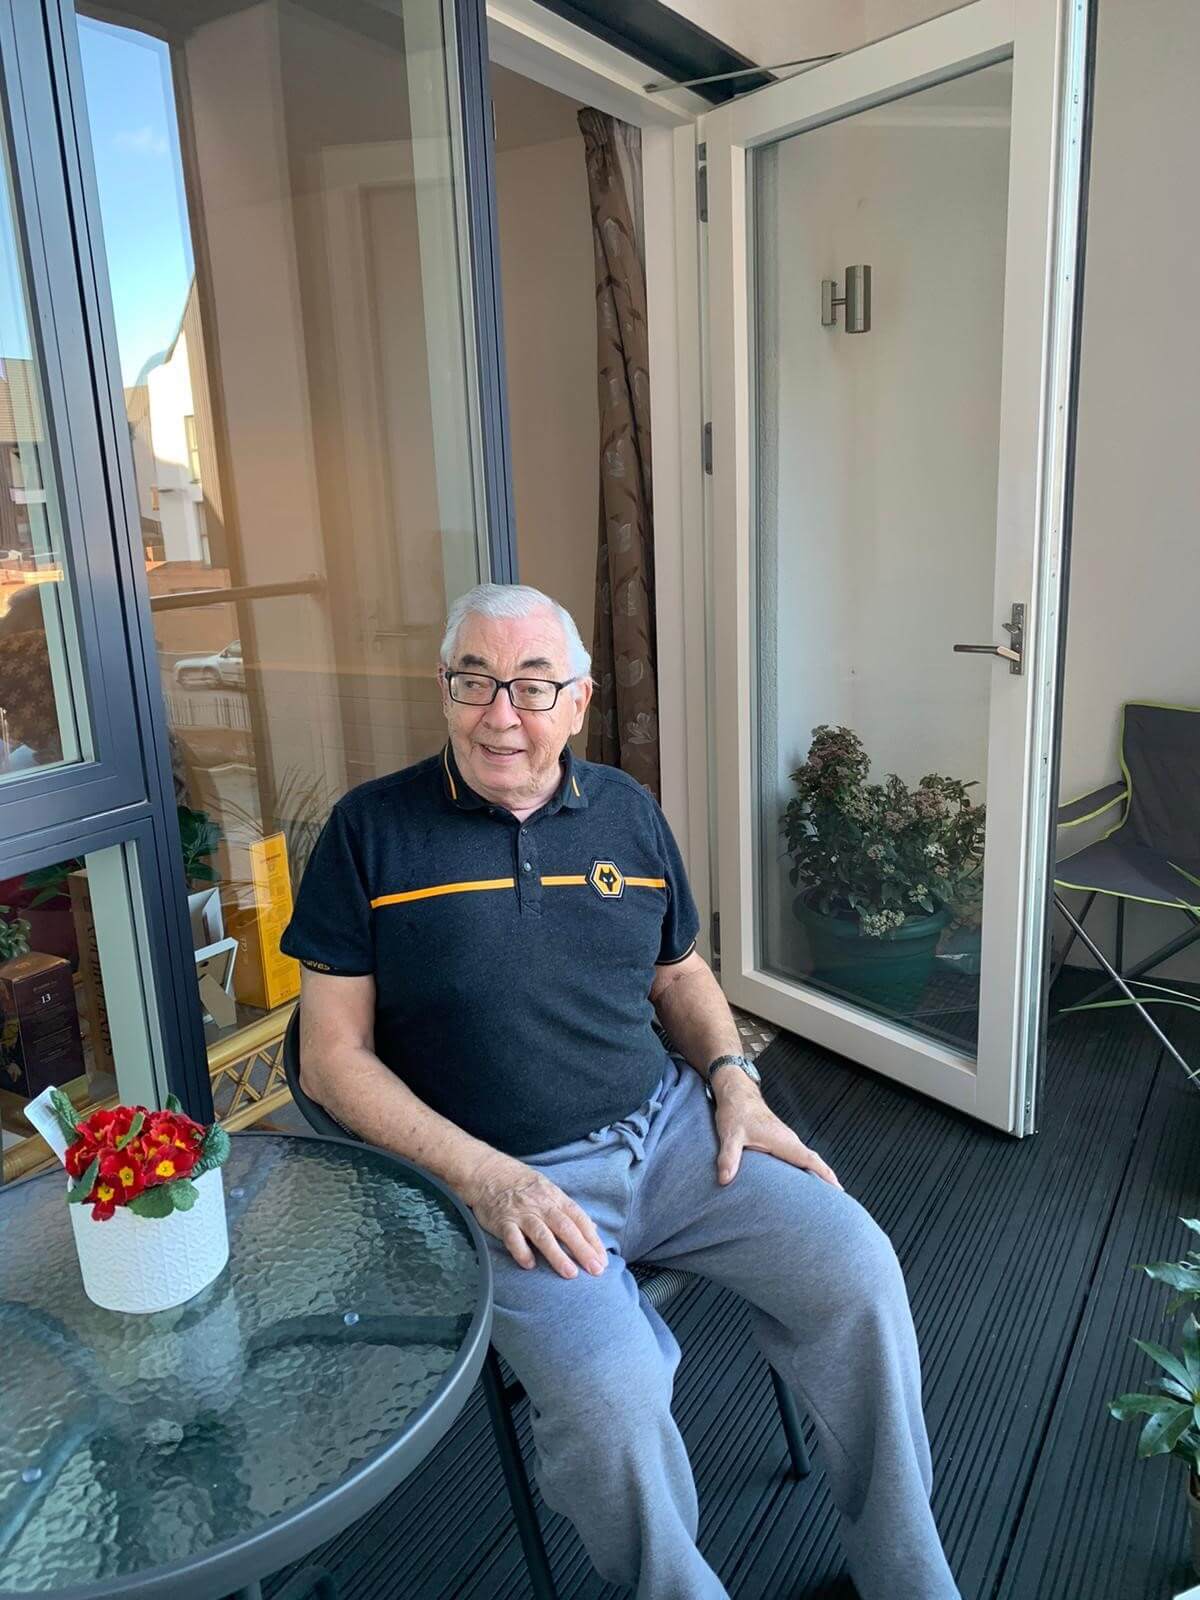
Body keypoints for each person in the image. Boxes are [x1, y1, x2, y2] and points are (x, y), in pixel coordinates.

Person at [281, 582, 959, 1600]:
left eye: (531, 685)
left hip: (676, 1136)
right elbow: (333, 1057)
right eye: (475, 681)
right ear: (444, 686)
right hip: (503, 1182)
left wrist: (734, 1076)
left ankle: (907, 1575)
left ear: (581, 700)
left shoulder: (628, 815)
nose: (501, 713)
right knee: (611, 1392)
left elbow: (679, 974)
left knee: (858, 1269)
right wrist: (485, 1177)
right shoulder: (372, 832)